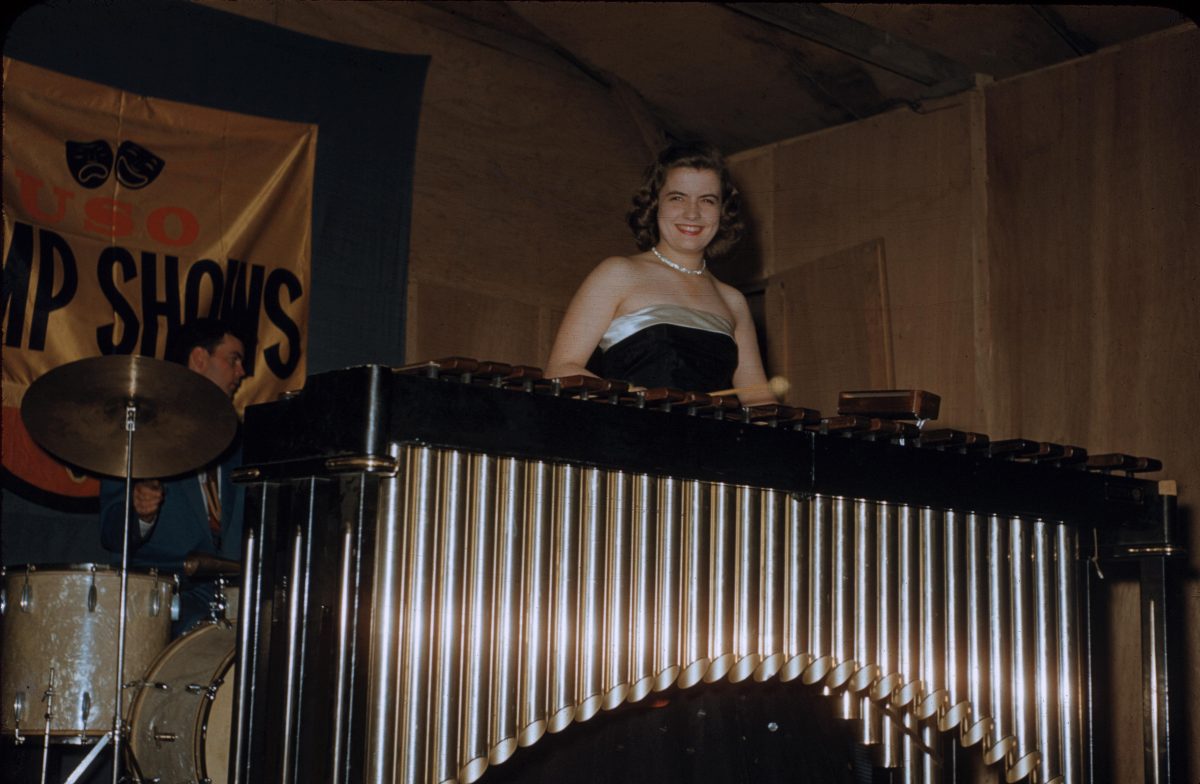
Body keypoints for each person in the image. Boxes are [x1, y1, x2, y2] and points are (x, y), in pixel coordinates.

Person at [545, 140, 774, 404]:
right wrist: (640, 398)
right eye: (677, 198)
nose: (692, 213)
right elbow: (560, 370)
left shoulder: (733, 301)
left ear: (722, 211)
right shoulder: (618, 274)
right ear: (655, 204)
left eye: (707, 200)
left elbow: (759, 401)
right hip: (627, 427)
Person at [99, 317, 247, 636]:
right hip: (163, 592)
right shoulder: (142, 429)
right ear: (199, 358)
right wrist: (141, 516)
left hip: (231, 591)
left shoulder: (240, 440)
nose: (242, 372)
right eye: (233, 360)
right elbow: (111, 532)